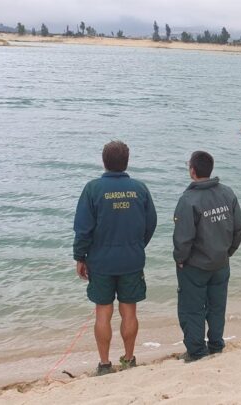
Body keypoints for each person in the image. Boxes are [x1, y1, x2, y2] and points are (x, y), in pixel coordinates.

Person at [73, 140, 157, 375]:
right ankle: (129, 359)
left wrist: (80, 256)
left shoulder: (93, 189)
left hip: (101, 261)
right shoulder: (140, 189)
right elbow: (151, 223)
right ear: (126, 162)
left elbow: (83, 229)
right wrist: (137, 245)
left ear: (104, 162)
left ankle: (104, 364)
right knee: (129, 311)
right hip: (131, 259)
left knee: (104, 312)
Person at [173, 151, 241, 362]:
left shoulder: (188, 200)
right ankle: (215, 345)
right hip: (220, 263)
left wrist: (180, 258)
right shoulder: (227, 193)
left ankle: (196, 351)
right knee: (216, 306)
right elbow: (239, 228)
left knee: (192, 309)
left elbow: (183, 239)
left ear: (192, 171)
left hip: (195, 266)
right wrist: (227, 251)